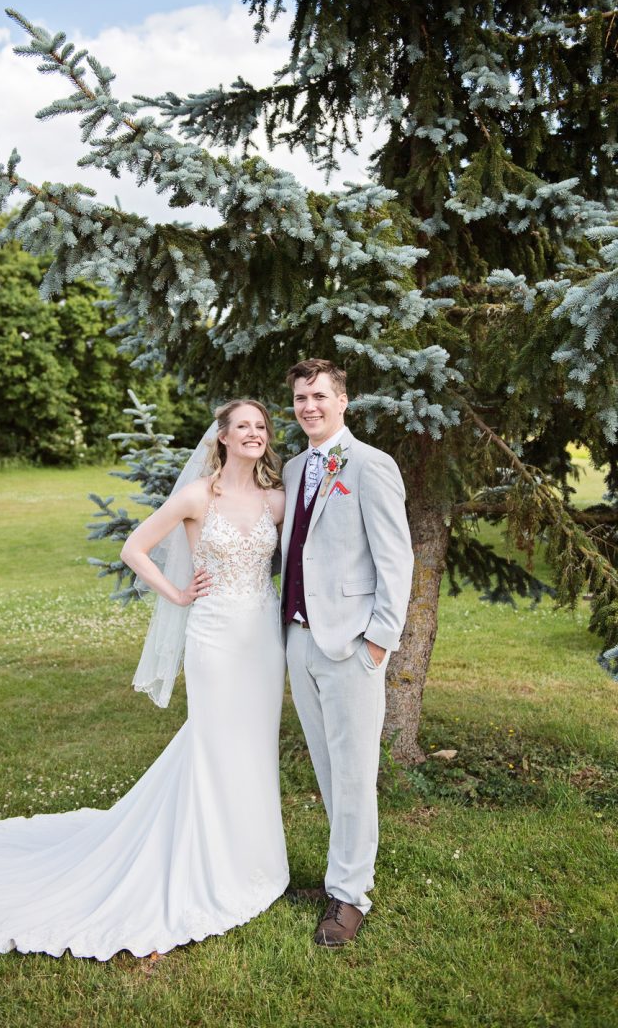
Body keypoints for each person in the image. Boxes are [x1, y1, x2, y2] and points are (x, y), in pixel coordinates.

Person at [0, 400, 289, 961]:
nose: (253, 433)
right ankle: (208, 866)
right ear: (222, 437)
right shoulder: (197, 496)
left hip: (263, 640)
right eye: (242, 426)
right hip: (216, 638)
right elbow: (135, 549)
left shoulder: (276, 500)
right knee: (212, 743)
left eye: (260, 426)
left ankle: (254, 859)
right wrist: (178, 594)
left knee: (254, 745)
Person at [281, 358, 414, 947]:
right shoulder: (292, 470)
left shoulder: (370, 464)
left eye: (319, 396)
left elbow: (396, 559)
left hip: (353, 643)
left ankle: (352, 897)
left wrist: (379, 641)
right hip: (300, 639)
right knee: (327, 768)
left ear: (343, 401)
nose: (309, 406)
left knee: (355, 773)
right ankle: (341, 876)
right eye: (301, 398)